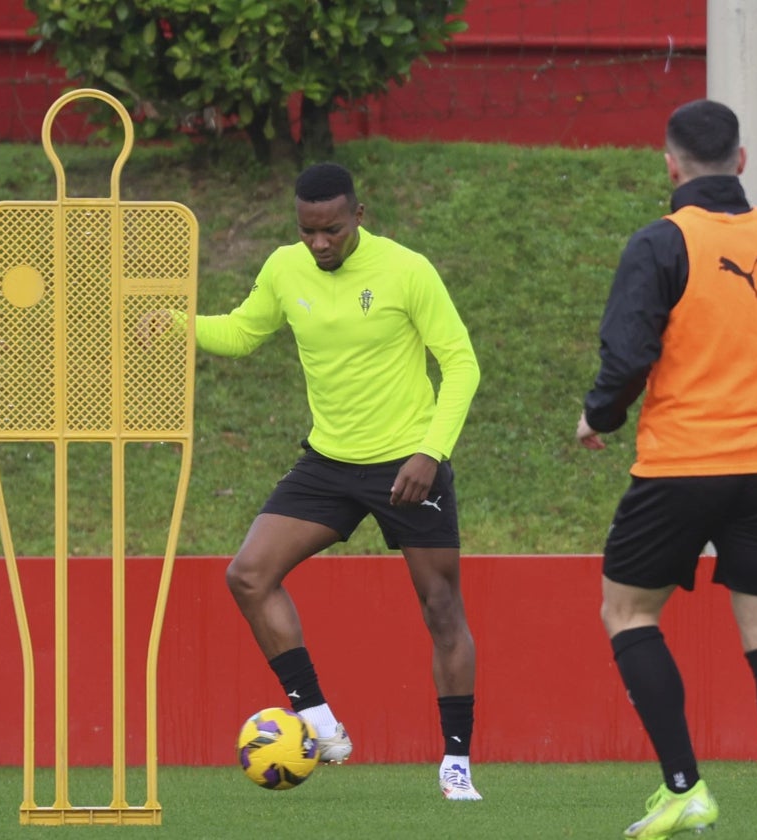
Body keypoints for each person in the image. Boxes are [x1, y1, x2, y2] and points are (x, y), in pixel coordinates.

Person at [155, 162, 483, 800]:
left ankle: (456, 763)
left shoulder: (407, 270)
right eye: (308, 232)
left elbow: (461, 364)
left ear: (359, 216)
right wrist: (176, 324)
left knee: (442, 608)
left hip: (408, 460)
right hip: (328, 463)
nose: (320, 244)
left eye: (332, 230)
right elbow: (244, 333)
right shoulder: (284, 268)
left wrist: (430, 452)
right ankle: (318, 719)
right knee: (248, 575)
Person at [576, 100, 757, 840]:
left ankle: (685, 787)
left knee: (627, 612)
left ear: (670, 165)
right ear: (743, 162)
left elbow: (628, 356)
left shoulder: (660, 243)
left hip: (681, 465)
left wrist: (598, 417)